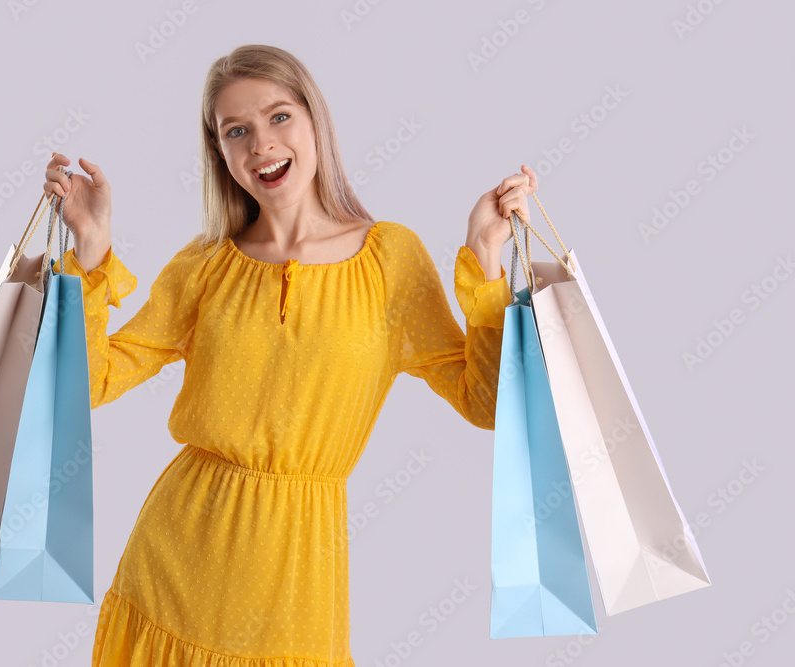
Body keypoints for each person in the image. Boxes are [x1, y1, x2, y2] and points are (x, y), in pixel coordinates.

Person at [43, 43, 536, 667]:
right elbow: (88, 382)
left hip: (302, 577)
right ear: (219, 152)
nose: (261, 145)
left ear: (314, 122)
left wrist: (487, 259)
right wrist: (90, 248)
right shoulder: (206, 266)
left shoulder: (391, 261)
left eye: (279, 117)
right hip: (175, 561)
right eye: (236, 131)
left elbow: (490, 403)